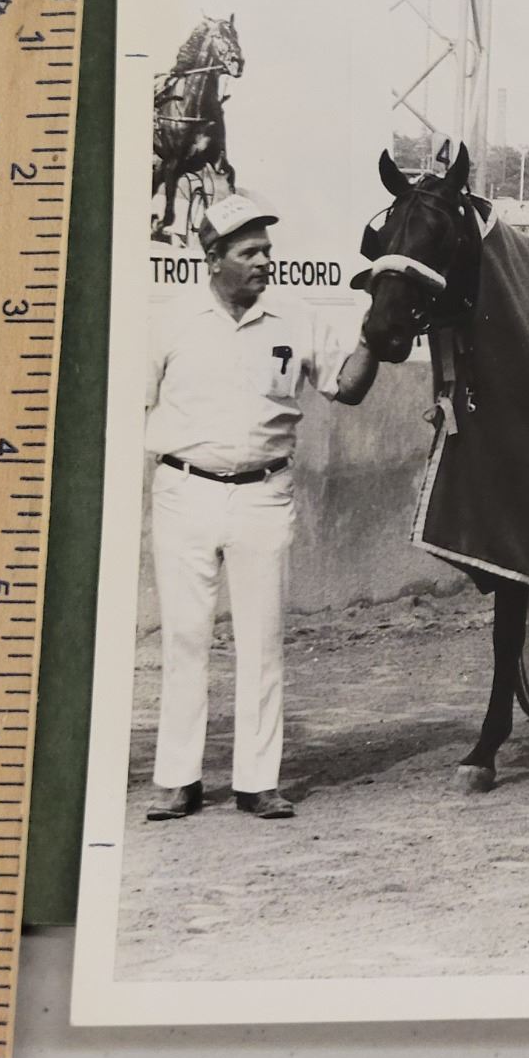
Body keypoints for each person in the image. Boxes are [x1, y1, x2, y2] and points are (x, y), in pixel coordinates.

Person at [143, 193, 379, 821]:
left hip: (264, 495)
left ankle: (257, 781)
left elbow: (347, 387)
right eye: (248, 252)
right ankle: (177, 779)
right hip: (183, 491)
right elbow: (133, 405)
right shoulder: (170, 320)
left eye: (268, 251)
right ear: (212, 257)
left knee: (262, 641)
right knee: (187, 639)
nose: (263, 262)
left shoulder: (293, 318)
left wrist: (377, 338)